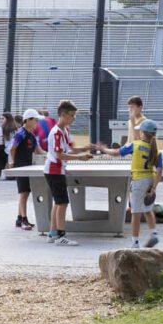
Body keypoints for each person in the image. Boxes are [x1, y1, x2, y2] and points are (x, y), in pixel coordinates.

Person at [42, 99, 103, 245]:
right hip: (54, 171)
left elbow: (71, 149)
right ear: (63, 114)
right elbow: (60, 155)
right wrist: (80, 158)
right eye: (72, 115)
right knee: (62, 203)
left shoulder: (65, 130)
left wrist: (85, 148)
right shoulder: (56, 132)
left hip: (58, 170)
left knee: (58, 202)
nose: (74, 118)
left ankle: (52, 234)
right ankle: (61, 236)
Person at [111, 119, 163, 248]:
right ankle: (154, 233)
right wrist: (154, 187)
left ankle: (135, 242)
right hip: (150, 181)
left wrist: (102, 148)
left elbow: (116, 153)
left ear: (142, 133)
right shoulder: (156, 150)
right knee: (148, 209)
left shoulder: (135, 145)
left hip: (138, 181)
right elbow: (159, 170)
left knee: (135, 213)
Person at [6, 109, 43, 231]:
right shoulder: (20, 133)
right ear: (28, 120)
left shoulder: (32, 135)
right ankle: (24, 220)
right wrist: (12, 162)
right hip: (20, 167)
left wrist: (54, 155)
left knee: (25, 192)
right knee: (24, 193)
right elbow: (12, 149)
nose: (37, 123)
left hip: (28, 167)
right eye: (35, 120)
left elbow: (39, 151)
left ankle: (19, 219)